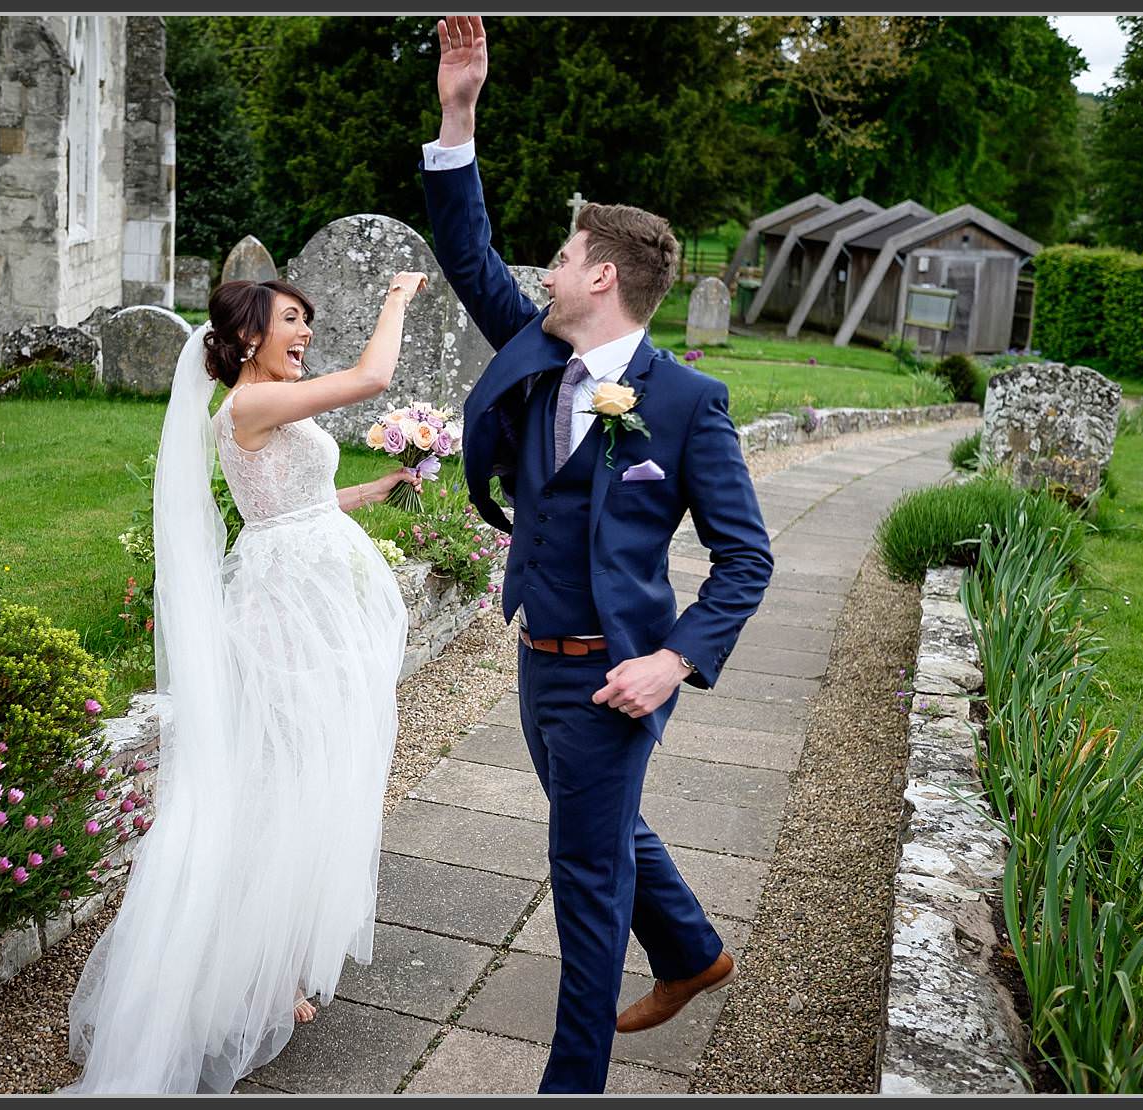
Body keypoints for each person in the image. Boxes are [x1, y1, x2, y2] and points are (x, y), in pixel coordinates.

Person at [421, 16, 772, 1093]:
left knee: (582, 873)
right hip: (540, 658)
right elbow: (467, 250)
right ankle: (694, 950)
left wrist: (673, 660)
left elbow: (747, 558)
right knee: (607, 830)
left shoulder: (687, 404)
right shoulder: (536, 351)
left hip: (618, 678)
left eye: (565, 256)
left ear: (604, 278)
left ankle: (570, 1084)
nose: (550, 269)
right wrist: (459, 112)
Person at [65, 274, 427, 1092]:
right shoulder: (246, 406)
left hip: (303, 592)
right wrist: (396, 302)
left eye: (307, 321)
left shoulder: (264, 408)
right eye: (291, 322)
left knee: (307, 778)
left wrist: (365, 492)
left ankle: (280, 960)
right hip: (285, 614)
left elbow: (290, 503)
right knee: (277, 782)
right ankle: (250, 972)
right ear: (249, 335)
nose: (304, 334)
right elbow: (372, 379)